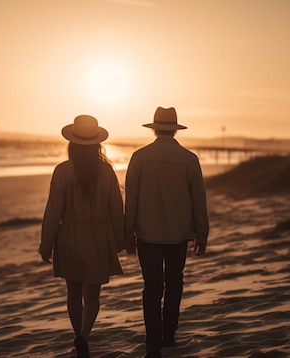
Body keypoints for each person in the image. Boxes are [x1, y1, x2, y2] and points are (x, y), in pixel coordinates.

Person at [124, 107, 209, 358]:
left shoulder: (139, 157)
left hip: (147, 235)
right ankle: (169, 334)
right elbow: (198, 200)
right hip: (178, 233)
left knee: (151, 287)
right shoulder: (189, 158)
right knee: (174, 284)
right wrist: (201, 234)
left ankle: (152, 340)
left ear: (153, 128)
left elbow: (132, 199)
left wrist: (127, 233)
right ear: (174, 129)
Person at [39, 115, 124, 358]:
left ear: (72, 143)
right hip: (98, 238)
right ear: (97, 144)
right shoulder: (107, 172)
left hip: (69, 238)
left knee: (73, 293)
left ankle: (78, 334)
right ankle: (85, 335)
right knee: (93, 295)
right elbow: (116, 208)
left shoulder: (63, 171)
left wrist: (46, 243)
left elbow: (53, 210)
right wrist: (120, 239)